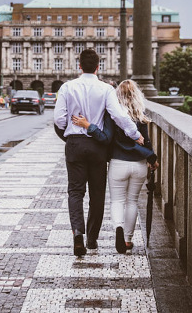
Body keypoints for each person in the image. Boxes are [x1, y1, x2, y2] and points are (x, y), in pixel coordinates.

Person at [54, 49, 143, 257]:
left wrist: (70, 134)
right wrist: (134, 133)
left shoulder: (67, 87)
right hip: (97, 146)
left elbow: (58, 119)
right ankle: (92, 238)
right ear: (98, 67)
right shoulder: (106, 89)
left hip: (75, 143)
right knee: (97, 193)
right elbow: (119, 116)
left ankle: (77, 233)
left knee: (75, 192)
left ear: (79, 66)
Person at [75, 80, 158, 254]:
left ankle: (118, 227)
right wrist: (152, 159)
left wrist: (89, 127)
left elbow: (106, 138)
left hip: (118, 163)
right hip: (139, 164)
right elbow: (147, 142)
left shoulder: (112, 116)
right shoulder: (141, 115)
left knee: (117, 201)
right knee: (132, 201)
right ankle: (127, 240)